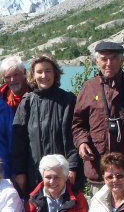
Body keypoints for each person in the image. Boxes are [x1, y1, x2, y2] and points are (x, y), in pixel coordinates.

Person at [72, 41, 124, 195]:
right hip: (99, 169)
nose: (108, 63)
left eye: (114, 58)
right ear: (97, 61)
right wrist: (82, 142)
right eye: (104, 59)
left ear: (122, 60)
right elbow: (78, 123)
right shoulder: (89, 88)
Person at [11, 54, 78, 196]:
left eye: (48, 71)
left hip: (62, 173)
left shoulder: (67, 101)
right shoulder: (27, 102)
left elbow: (73, 135)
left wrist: (72, 166)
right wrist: (20, 171)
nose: (44, 76)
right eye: (39, 72)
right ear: (33, 75)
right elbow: (19, 140)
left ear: (55, 73)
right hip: (34, 173)